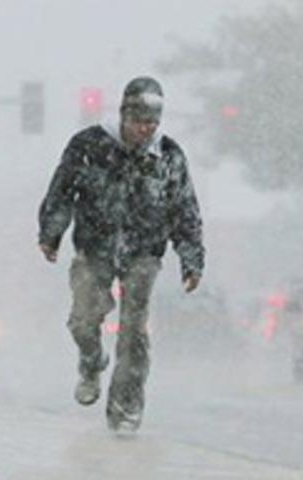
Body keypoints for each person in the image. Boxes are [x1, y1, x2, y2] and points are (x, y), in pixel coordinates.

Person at [38, 76, 205, 432]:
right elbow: (62, 190)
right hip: (93, 247)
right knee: (84, 319)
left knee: (134, 330)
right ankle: (91, 359)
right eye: (140, 121)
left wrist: (191, 258)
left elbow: (184, 210)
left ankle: (125, 407)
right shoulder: (89, 145)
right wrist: (51, 233)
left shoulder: (169, 156)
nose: (146, 129)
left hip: (144, 252)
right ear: (124, 115)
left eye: (153, 123)